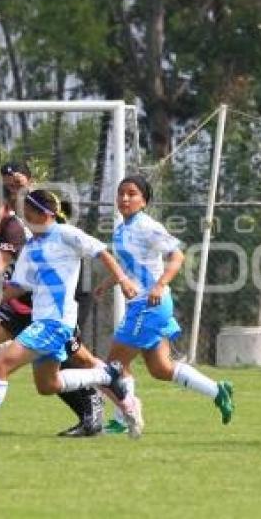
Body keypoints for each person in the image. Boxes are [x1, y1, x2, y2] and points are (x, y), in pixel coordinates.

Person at [0, 189, 140, 443]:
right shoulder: (31, 247)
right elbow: (18, 286)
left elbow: (102, 253)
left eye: (28, 213)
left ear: (44, 214)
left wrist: (122, 280)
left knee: (1, 364)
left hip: (55, 323)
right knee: (48, 385)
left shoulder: (67, 234)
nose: (24, 219)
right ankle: (105, 375)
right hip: (40, 321)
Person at [95, 175, 234, 438]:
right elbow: (130, 266)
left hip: (149, 304)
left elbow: (178, 255)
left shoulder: (148, 226)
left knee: (114, 364)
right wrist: (108, 283)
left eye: (132, 193)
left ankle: (123, 417)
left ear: (144, 200)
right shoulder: (121, 229)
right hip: (145, 306)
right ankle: (218, 391)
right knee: (161, 369)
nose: (124, 198)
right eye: (121, 193)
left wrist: (159, 285)